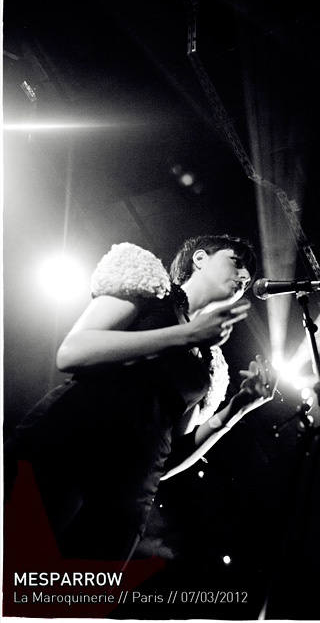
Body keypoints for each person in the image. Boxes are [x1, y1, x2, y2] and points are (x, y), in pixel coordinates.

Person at [4, 235, 274, 562]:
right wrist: (186, 334)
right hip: (69, 445)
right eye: (237, 262)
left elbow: (169, 456)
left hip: (127, 497)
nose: (244, 277)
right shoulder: (149, 288)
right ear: (200, 258)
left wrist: (236, 410)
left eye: (248, 276)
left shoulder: (208, 364)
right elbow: (72, 352)